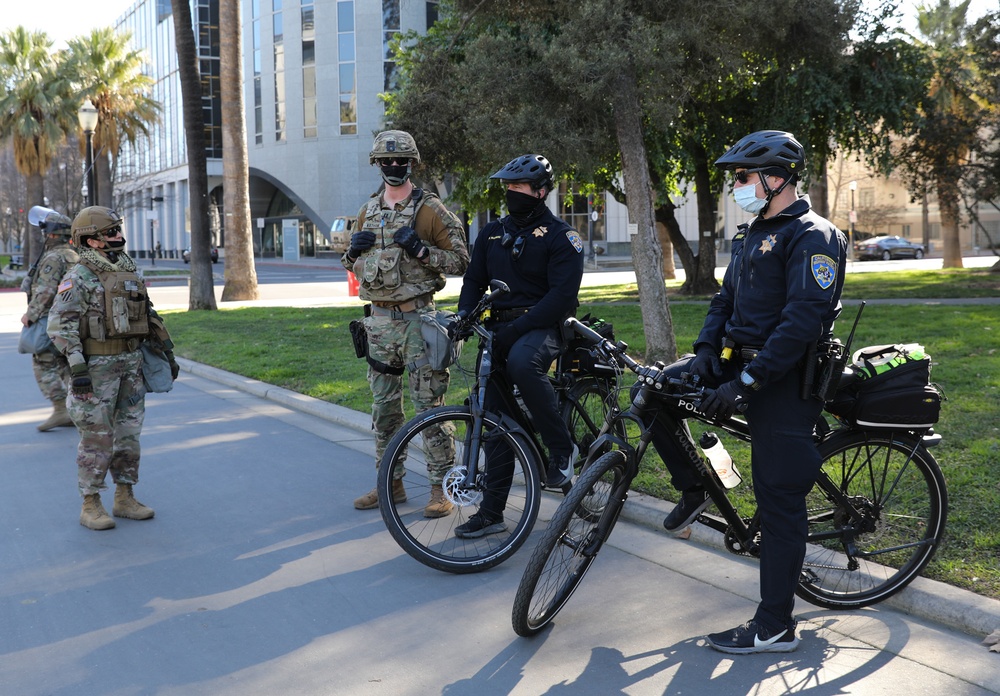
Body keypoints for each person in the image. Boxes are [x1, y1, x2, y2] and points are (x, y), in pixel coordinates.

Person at [645, 130, 847, 654]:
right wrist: (707, 350)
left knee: (779, 502)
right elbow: (724, 299)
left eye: (743, 176)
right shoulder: (752, 233)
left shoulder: (814, 236)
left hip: (783, 380)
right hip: (736, 365)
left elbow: (801, 323)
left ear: (776, 178)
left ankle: (776, 626)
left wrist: (745, 385)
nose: (736, 185)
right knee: (653, 394)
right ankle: (695, 489)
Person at [452, 154, 585, 538]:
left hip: (543, 325)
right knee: (492, 417)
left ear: (541, 192)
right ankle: (492, 513)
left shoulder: (562, 236)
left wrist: (518, 328)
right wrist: (464, 316)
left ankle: (562, 449)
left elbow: (560, 297)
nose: (510, 193)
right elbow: (473, 281)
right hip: (497, 330)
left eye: (518, 187)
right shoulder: (491, 233)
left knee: (523, 366)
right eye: (506, 187)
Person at [344, 130, 470, 517]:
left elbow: (462, 260)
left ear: (413, 163)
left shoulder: (429, 209)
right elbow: (353, 266)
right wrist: (351, 252)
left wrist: (421, 249)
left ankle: (441, 489)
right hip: (380, 323)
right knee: (384, 411)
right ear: (377, 164)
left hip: (419, 322)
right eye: (387, 162)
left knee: (428, 408)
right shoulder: (368, 210)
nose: (395, 167)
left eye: (402, 162)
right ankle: (391, 484)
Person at [47, 206, 180, 531]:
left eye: (117, 231)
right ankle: (90, 504)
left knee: (129, 436)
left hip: (130, 367)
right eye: (111, 232)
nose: (119, 237)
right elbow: (59, 326)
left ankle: (124, 497)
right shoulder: (77, 277)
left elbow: (147, 316)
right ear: (91, 241)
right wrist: (78, 369)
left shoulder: (129, 271)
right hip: (95, 373)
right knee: (96, 439)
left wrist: (166, 353)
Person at [20, 206, 79, 431]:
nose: (45, 235)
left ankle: (61, 409)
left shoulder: (54, 257)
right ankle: (75, 409)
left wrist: (30, 315)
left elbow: (46, 290)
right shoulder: (72, 254)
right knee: (66, 364)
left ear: (53, 234)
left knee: (43, 362)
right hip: (70, 319)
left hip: (52, 319)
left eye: (47, 232)